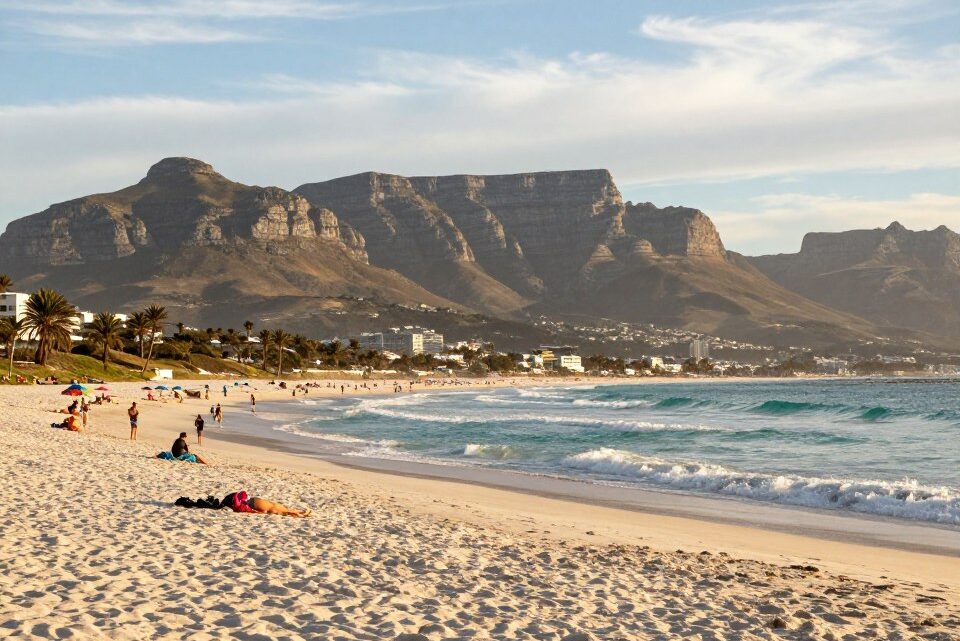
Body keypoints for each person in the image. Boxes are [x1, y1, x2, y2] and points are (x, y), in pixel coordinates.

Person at [223, 491, 310, 517]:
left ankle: (299, 513)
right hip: (253, 502)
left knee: (276, 508)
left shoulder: (236, 504)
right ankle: (299, 513)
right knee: (276, 508)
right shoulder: (237, 502)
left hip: (254, 503)